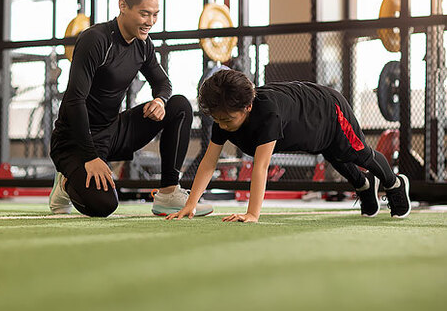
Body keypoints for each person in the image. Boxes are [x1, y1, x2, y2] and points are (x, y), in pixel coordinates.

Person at [49, 0, 213, 218]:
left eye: (156, 14)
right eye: (144, 14)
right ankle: (65, 183)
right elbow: (74, 101)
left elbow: (163, 83)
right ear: (123, 6)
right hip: (73, 140)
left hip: (112, 132)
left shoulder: (143, 44)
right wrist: (90, 157)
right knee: (104, 205)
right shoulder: (96, 40)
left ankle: (168, 192)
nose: (151, 22)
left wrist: (159, 100)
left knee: (178, 105)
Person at [167, 70, 411, 223]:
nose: (222, 125)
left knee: (356, 152)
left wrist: (252, 214)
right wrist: (191, 204)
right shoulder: (225, 117)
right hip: (308, 130)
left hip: (329, 109)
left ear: (247, 107)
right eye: (218, 120)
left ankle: (394, 183)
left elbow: (260, 167)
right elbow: (209, 162)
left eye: (227, 120)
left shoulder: (267, 114)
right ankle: (365, 187)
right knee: (333, 153)